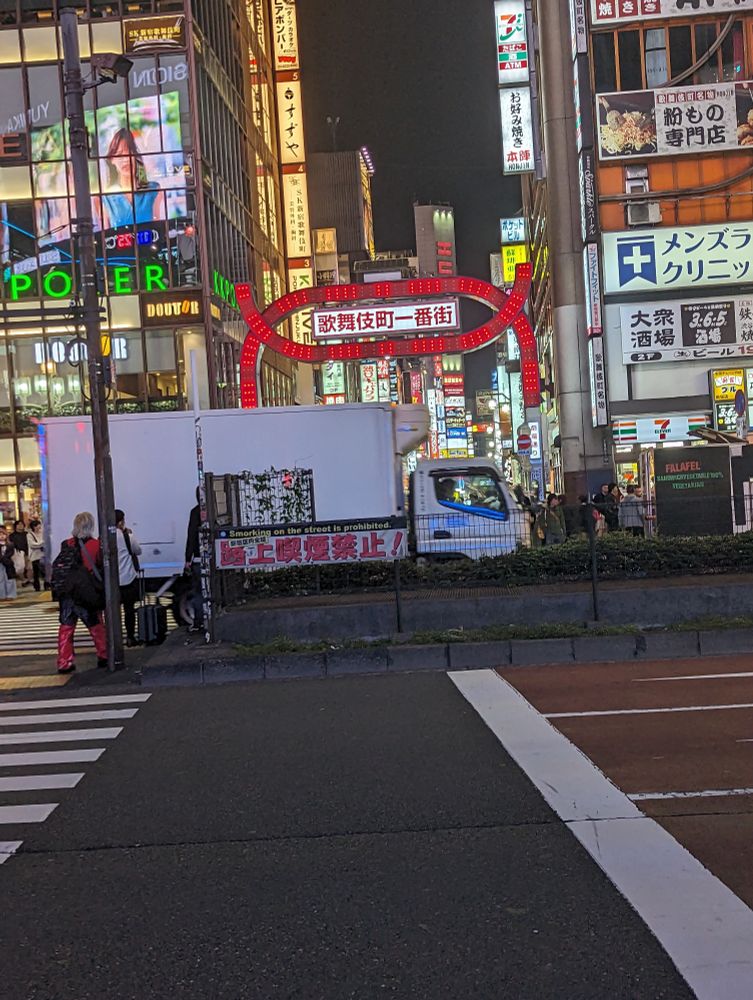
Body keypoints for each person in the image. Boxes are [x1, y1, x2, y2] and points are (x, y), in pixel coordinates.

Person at [55, 511, 107, 674]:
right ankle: (103, 655)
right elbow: (99, 566)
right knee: (95, 625)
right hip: (85, 592)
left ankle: (64, 661)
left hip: (68, 592)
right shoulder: (96, 545)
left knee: (66, 628)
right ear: (90, 526)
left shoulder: (66, 544)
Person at [102, 128, 162, 229]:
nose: (126, 159)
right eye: (120, 155)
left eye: (130, 153)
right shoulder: (107, 198)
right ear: (112, 160)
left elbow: (160, 230)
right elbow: (106, 237)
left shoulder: (154, 190)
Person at [115, 509, 142, 647]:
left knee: (113, 611)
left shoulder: (104, 538)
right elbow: (138, 550)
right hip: (128, 579)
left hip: (112, 581)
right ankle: (130, 637)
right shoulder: (127, 537)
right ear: (121, 522)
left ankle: (114, 638)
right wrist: (130, 534)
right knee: (129, 610)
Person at [184, 489, 203, 633]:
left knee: (198, 592)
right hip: (213, 558)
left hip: (197, 559)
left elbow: (191, 536)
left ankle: (198, 622)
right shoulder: (215, 511)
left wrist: (187, 559)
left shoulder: (195, 512)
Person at [9, 519, 30, 586]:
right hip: (17, 553)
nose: (20, 526)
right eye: (18, 524)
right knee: (19, 568)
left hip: (27, 552)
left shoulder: (27, 534)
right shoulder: (12, 535)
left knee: (29, 567)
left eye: (22, 524)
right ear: (15, 526)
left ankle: (28, 580)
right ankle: (23, 580)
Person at [27, 518, 46, 592]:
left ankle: (46, 585)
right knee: (36, 572)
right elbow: (32, 545)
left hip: (43, 555)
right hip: (35, 556)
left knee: (44, 572)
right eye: (37, 526)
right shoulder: (29, 535)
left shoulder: (42, 533)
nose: (39, 527)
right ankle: (37, 586)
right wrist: (42, 544)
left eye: (39, 526)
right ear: (33, 527)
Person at [0, 527, 17, 600]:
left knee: (9, 579)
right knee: (0, 579)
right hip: (0, 564)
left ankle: (11, 595)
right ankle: (2, 595)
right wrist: (2, 559)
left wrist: (5, 559)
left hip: (8, 564)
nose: (2, 536)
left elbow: (11, 553)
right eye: (0, 534)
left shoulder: (10, 544)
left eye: (3, 534)